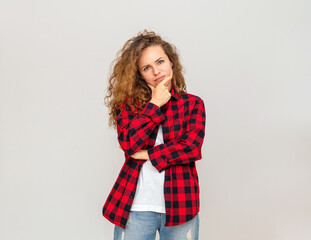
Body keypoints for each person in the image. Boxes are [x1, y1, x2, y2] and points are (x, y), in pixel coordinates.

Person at [102, 30, 206, 240]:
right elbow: (129, 143)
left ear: (171, 62)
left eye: (160, 62)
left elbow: (191, 148)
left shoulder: (193, 104)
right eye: (147, 67)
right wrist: (154, 104)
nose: (156, 71)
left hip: (181, 205)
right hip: (135, 207)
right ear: (139, 74)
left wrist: (148, 154)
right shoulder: (128, 107)